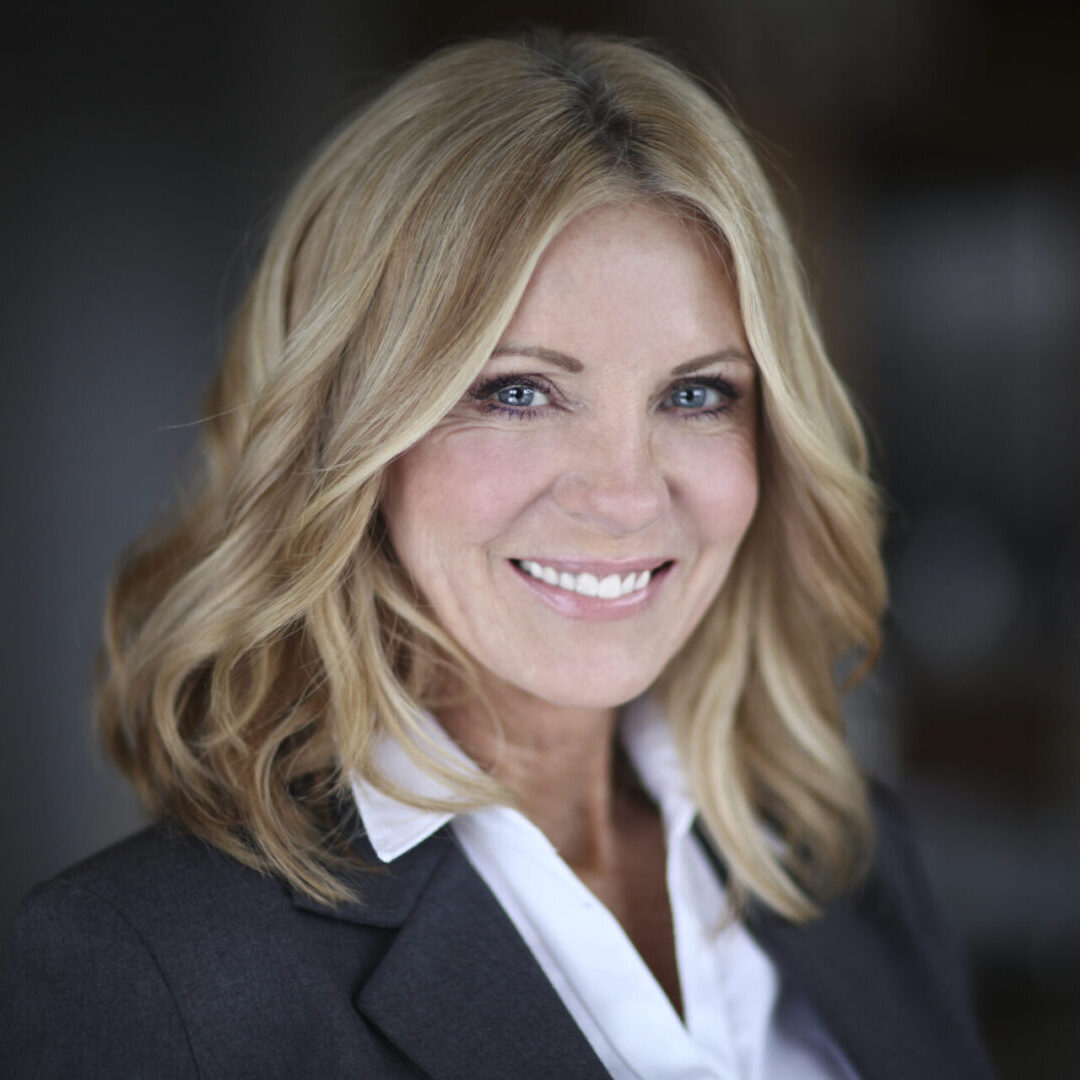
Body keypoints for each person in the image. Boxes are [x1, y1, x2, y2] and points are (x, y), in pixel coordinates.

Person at [0, 32, 994, 1080]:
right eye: (516, 391)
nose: (623, 495)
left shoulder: (845, 850)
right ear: (347, 431)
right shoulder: (152, 968)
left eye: (696, 393)